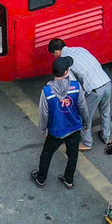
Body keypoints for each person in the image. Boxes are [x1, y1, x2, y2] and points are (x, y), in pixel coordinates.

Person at [47, 37, 112, 150]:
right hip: (106, 81)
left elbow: (72, 83)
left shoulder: (65, 61)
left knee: (83, 117)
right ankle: (106, 137)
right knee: (105, 111)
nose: (55, 57)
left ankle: (87, 143)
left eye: (54, 54)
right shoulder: (80, 49)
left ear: (57, 51)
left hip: (94, 89)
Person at [33, 56, 85, 187]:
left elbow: (44, 113)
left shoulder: (47, 91)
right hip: (74, 128)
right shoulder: (76, 87)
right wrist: (86, 123)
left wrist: (43, 130)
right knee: (73, 155)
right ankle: (69, 179)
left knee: (47, 154)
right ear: (66, 72)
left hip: (56, 130)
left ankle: (41, 178)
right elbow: (83, 107)